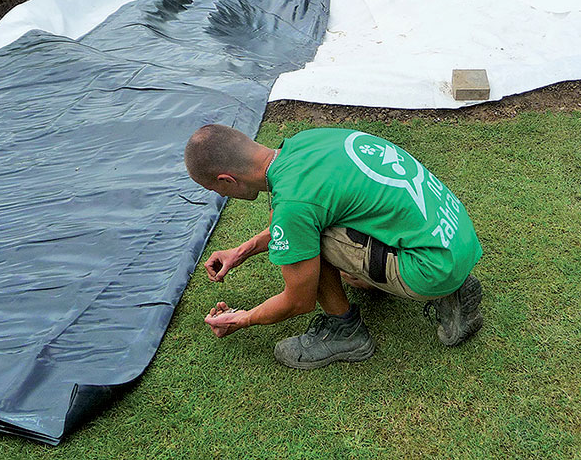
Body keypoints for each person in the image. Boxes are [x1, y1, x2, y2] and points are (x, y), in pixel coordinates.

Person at [185, 124, 484, 370]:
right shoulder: (306, 141)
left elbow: (299, 300)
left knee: (309, 237)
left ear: (226, 180)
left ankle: (345, 331)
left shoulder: (293, 203)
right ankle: (451, 288)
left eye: (215, 190)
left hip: (430, 268)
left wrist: (241, 318)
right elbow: (303, 215)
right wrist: (241, 252)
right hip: (455, 238)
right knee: (310, 222)